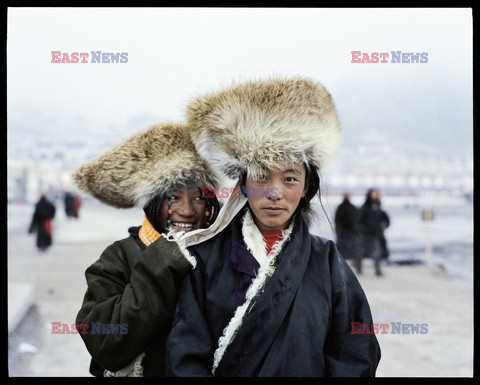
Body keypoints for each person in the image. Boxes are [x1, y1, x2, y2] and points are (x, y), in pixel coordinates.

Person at [166, 77, 381, 377]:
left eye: (290, 178)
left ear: (307, 187)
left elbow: (355, 353)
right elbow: (185, 355)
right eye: (262, 177)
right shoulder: (204, 259)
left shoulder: (327, 261)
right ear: (243, 184)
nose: (275, 192)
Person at [73, 122, 224, 377]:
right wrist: (164, 259)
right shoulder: (118, 257)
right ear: (153, 201)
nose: (187, 211)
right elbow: (105, 343)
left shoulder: (221, 256)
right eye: (173, 197)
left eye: (198, 197)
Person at [356, 188, 390, 276]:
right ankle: (359, 268)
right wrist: (363, 229)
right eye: (373, 194)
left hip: (375, 234)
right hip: (365, 234)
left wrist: (385, 225)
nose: (374, 196)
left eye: (376, 194)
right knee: (360, 252)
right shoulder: (364, 207)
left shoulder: (379, 207)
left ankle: (378, 270)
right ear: (369, 195)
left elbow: (385, 218)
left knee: (377, 252)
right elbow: (358, 220)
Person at [334, 193, 358, 260]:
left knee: (352, 246)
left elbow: (356, 219)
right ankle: (340, 259)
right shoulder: (340, 207)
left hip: (352, 230)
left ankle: (352, 259)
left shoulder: (353, 207)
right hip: (342, 230)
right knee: (341, 246)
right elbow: (337, 220)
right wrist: (337, 230)